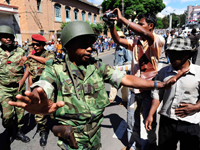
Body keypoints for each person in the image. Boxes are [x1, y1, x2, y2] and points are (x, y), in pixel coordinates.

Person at [9, 21, 186, 150]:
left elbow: (126, 79)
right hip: (73, 139)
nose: (90, 48)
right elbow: (44, 85)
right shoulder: (55, 70)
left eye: (91, 44)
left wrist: (157, 84)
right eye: (83, 44)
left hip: (95, 135)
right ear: (68, 46)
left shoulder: (97, 66)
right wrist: (38, 94)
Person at [107, 8, 165, 150]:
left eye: (141, 24)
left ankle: (152, 144)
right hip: (135, 88)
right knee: (132, 121)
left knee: (149, 121)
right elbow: (118, 40)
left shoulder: (157, 40)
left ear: (151, 26)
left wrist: (123, 20)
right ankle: (134, 146)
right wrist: (111, 25)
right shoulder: (135, 42)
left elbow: (145, 33)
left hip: (150, 90)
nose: (138, 26)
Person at [145, 36, 200, 150]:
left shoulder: (198, 73)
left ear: (187, 54)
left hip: (190, 122)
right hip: (167, 122)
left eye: (177, 53)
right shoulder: (163, 73)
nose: (172, 57)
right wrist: (150, 115)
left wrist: (196, 107)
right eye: (170, 53)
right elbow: (157, 96)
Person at [20, 34, 55, 147]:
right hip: (37, 90)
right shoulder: (31, 59)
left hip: (49, 88)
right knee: (40, 114)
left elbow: (49, 62)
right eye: (33, 45)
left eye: (37, 45)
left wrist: (32, 56)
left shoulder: (49, 54)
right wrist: (30, 92)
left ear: (43, 45)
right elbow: (31, 75)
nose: (35, 47)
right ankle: (43, 131)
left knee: (54, 112)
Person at [0, 25, 30, 145]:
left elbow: (27, 67)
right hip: (4, 88)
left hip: (18, 87)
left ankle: (18, 132)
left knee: (20, 113)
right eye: (5, 37)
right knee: (7, 116)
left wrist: (23, 80)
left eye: (10, 36)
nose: (8, 39)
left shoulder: (20, 51)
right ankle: (9, 130)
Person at [109, 31, 132, 104]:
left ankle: (124, 100)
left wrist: (121, 67)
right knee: (113, 84)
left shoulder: (125, 48)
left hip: (123, 71)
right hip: (116, 70)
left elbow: (129, 61)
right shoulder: (117, 47)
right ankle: (111, 99)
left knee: (124, 87)